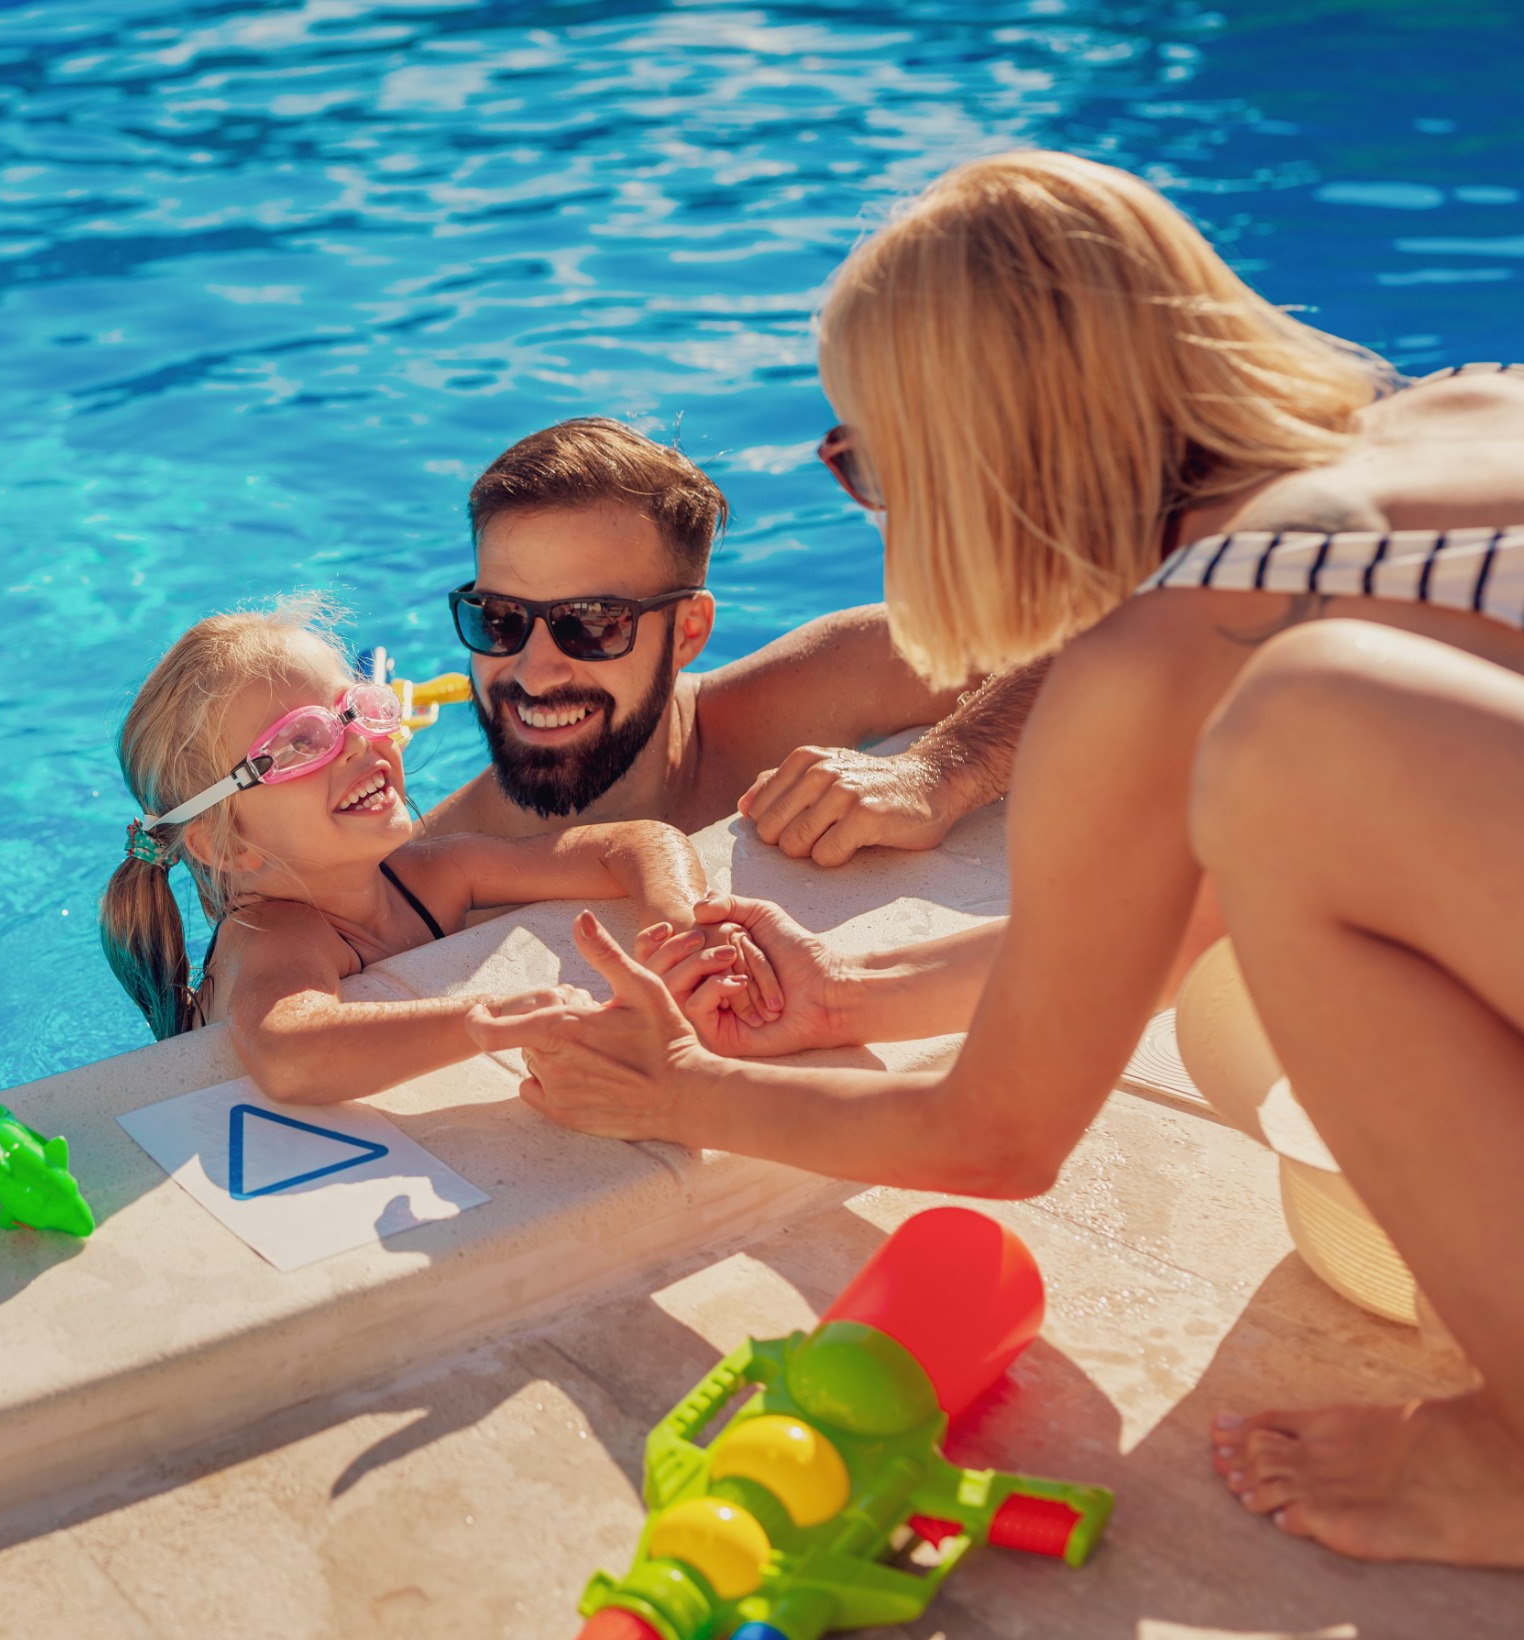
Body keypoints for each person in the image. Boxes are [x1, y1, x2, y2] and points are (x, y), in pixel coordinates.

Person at [466, 150, 1524, 1568]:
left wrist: (690, 1090)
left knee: (1296, 745)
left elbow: (1002, 1135)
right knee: (1296, 803)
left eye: (860, 458)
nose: (864, 497)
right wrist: (846, 997)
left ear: (969, 457)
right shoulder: (1460, 416)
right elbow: (1277, 881)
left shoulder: (1170, 660)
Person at [97, 595, 775, 1103]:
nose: (361, 742)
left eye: (357, 707)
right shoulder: (275, 936)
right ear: (224, 842)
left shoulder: (428, 874)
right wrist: (492, 1018)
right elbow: (288, 1052)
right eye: (300, 743)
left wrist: (683, 929)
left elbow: (635, 843)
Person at [416, 416, 1048, 863]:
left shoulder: (809, 692)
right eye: (498, 618)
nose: (533, 672)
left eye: (591, 621)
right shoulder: (418, 870)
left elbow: (1099, 639)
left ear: (689, 631)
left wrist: (939, 774)